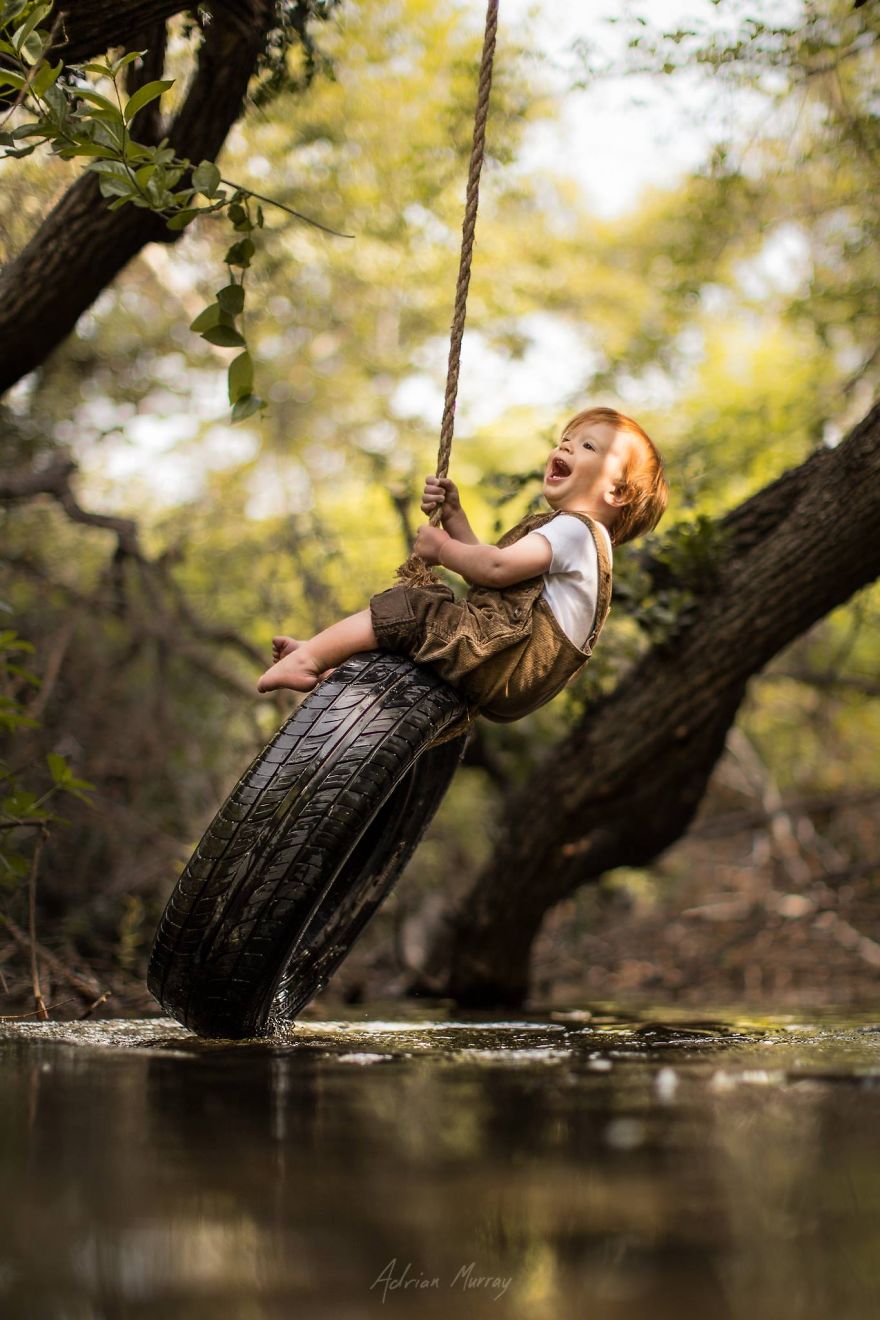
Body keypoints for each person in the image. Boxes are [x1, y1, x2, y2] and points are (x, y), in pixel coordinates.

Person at [257, 406, 668, 721]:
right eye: (566, 439)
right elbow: (494, 578)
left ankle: (309, 658)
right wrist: (454, 518)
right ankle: (334, 670)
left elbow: (492, 570)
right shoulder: (578, 541)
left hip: (509, 663)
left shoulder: (577, 531)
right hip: (509, 672)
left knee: (415, 610)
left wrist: (441, 550)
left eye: (588, 446)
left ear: (617, 492)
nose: (565, 447)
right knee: (434, 625)